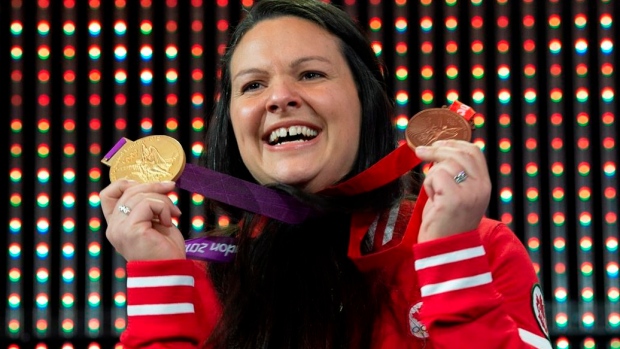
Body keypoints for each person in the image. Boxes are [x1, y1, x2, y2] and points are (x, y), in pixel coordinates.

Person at [100, 0, 552, 348]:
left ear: (365, 102)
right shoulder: (190, 273)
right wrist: (155, 272)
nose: (279, 98)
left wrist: (451, 261)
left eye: (312, 73)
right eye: (253, 85)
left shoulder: (477, 249)